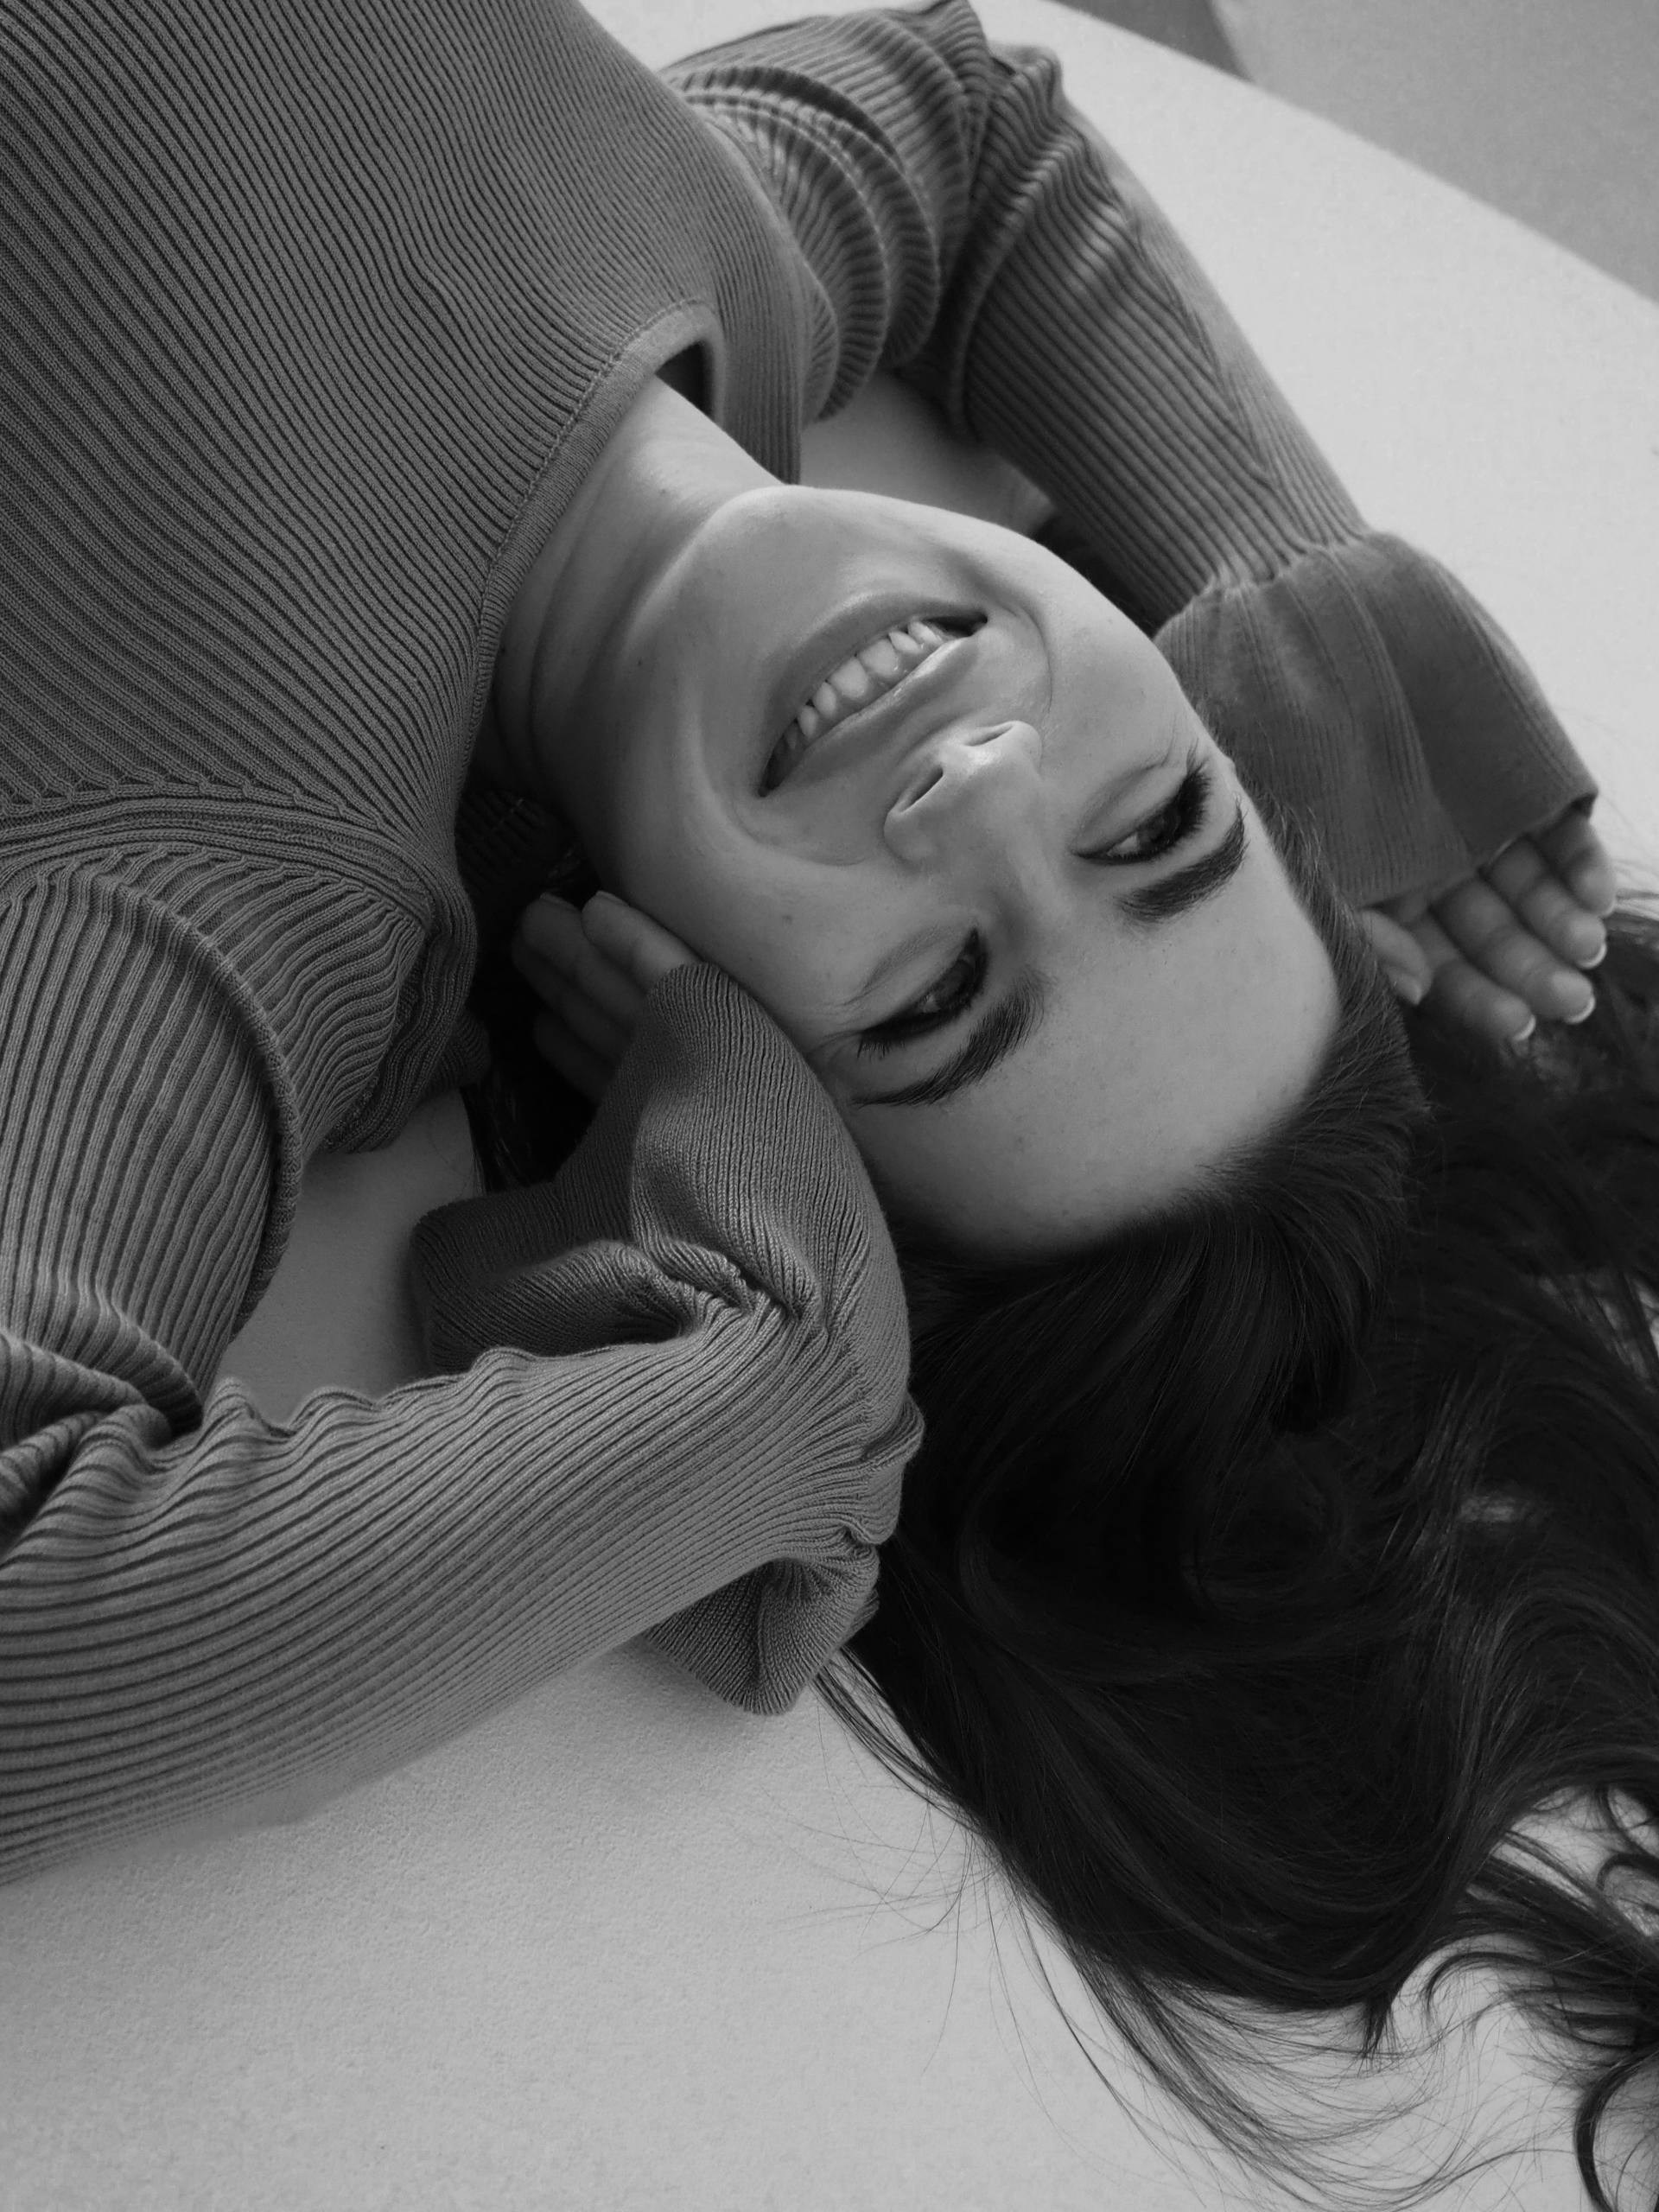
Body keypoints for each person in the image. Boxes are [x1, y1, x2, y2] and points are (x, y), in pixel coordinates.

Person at [0, 6, 1633, 2155]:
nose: (987, 788)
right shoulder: (743, 285)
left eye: (936, 997)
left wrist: (780, 1381)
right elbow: (972, 127)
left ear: (710, 1080)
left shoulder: (235, 884)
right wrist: (1297, 608)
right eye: (1159, 819)